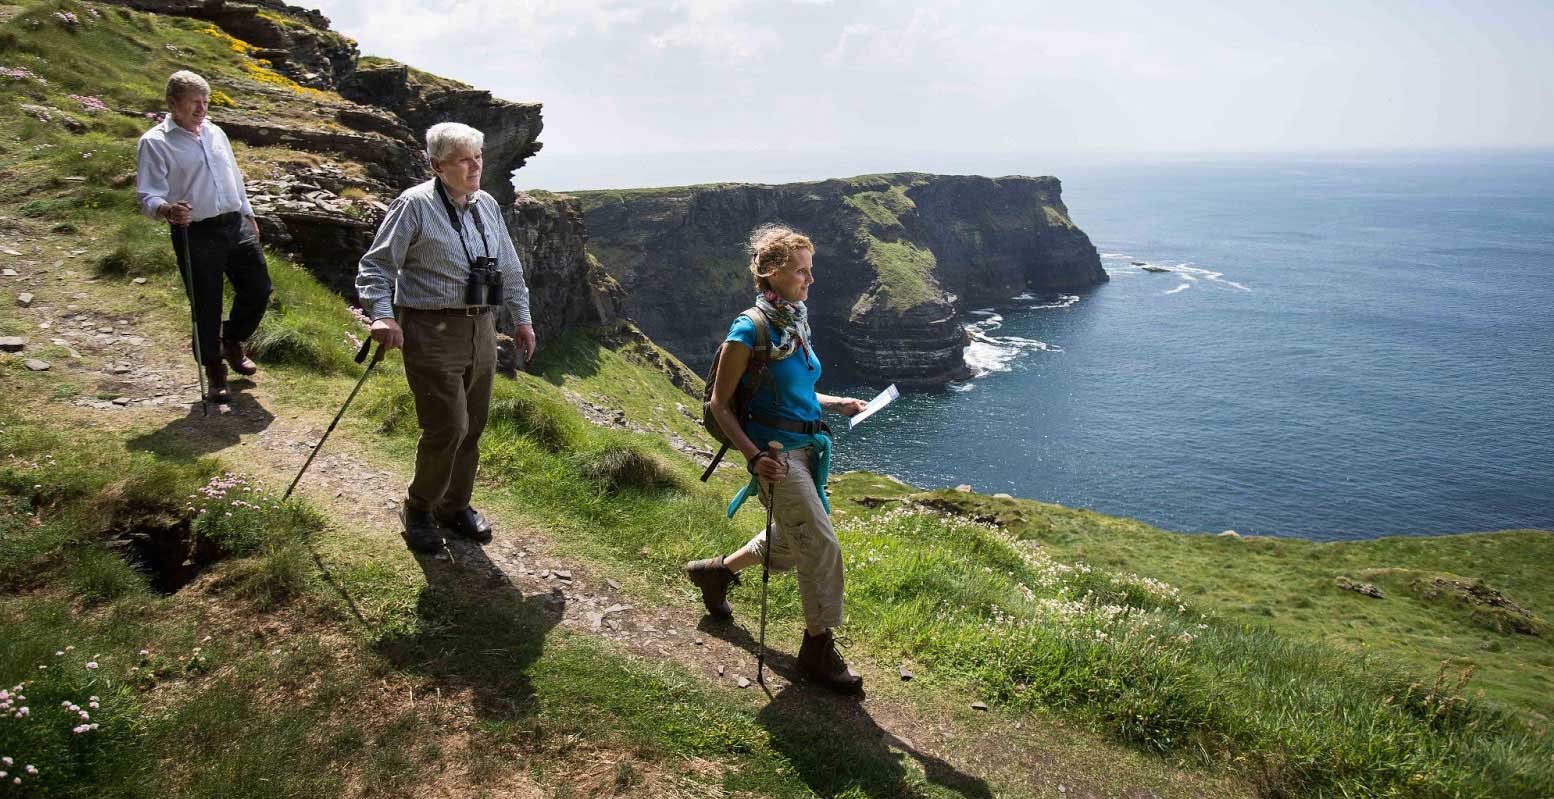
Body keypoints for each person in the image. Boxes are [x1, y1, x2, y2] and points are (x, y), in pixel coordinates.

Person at [684, 225, 869, 692]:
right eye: (801, 271)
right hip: (775, 456)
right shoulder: (750, 329)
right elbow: (719, 405)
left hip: (808, 448)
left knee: (790, 541)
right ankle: (817, 648)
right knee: (820, 544)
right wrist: (752, 457)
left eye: (810, 269)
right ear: (770, 271)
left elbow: (797, 391)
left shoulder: (794, 322)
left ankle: (716, 573)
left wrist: (837, 403)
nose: (811, 279)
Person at [356, 122, 536, 554]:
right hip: (430, 327)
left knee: (473, 424)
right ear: (437, 166)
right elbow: (376, 266)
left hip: (482, 326)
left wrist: (523, 320)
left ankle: (454, 506)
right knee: (448, 426)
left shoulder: (486, 204)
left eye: (478, 157)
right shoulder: (413, 205)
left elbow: (509, 267)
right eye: (462, 160)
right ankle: (419, 508)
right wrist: (382, 316)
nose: (474, 167)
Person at [136, 70, 271, 403]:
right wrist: (167, 209)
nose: (202, 109)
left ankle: (231, 340)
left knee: (258, 289)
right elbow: (148, 195)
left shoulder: (215, 132)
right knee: (206, 303)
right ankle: (214, 371)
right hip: (195, 231)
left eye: (206, 102)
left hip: (234, 223)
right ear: (173, 103)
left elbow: (233, 177)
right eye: (195, 102)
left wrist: (249, 214)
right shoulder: (155, 142)